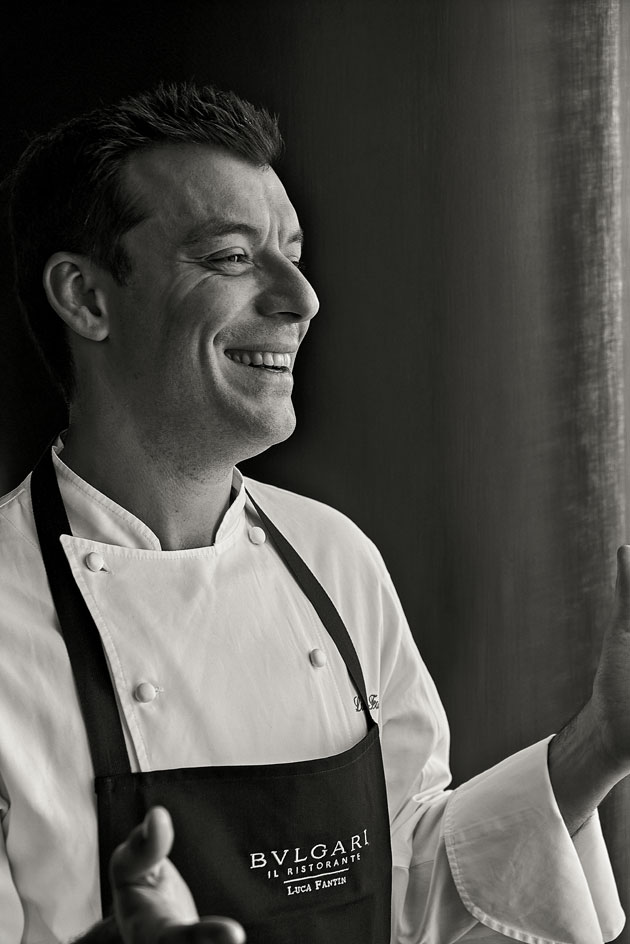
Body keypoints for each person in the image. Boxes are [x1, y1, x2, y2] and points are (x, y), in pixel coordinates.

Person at [0, 81, 628, 944]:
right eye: (231, 256)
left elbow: (408, 886)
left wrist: (602, 741)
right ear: (86, 297)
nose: (301, 297)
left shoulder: (334, 557)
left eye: (292, 253)